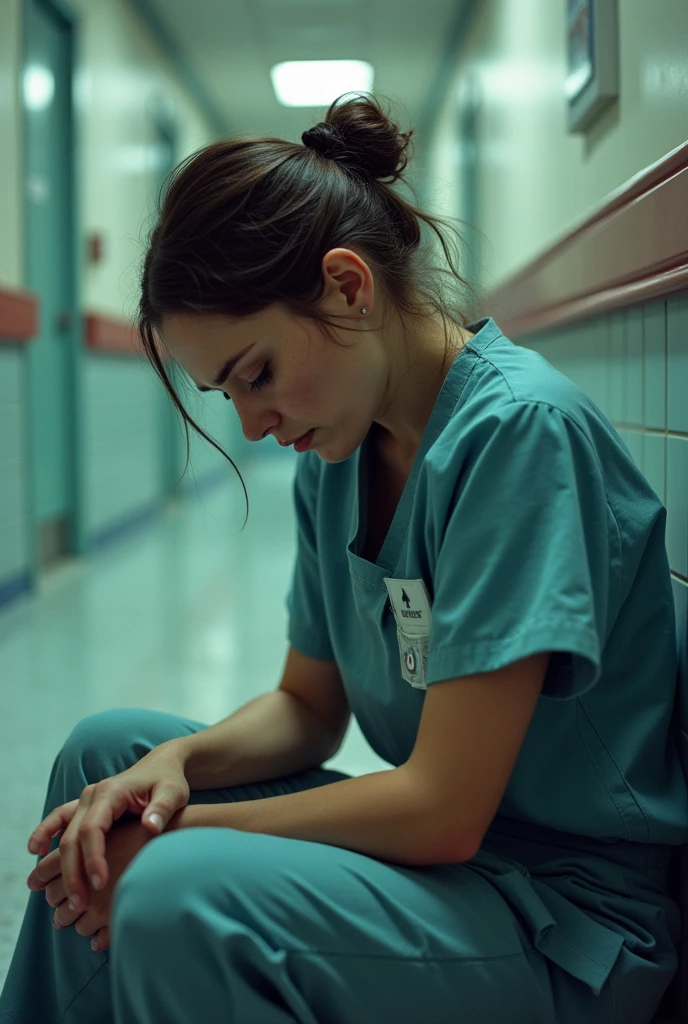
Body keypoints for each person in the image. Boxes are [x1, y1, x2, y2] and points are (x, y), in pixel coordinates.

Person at [1, 92, 686, 1024]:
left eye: (258, 373)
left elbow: (443, 810)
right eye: (224, 393)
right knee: (107, 762)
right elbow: (306, 709)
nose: (252, 423)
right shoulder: (343, 448)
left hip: (566, 920)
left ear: (349, 286)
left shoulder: (517, 437)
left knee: (174, 885)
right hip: (456, 873)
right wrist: (172, 769)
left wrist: (178, 830)